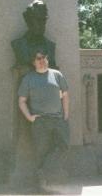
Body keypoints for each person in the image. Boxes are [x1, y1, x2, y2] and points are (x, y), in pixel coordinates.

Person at [17, 49, 69, 189]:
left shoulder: (57, 75)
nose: (42, 60)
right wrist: (30, 117)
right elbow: (21, 100)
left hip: (58, 120)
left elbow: (65, 95)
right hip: (40, 122)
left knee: (64, 146)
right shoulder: (28, 78)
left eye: (44, 57)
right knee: (41, 151)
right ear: (33, 62)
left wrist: (66, 114)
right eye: (38, 58)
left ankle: (44, 171)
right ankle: (40, 183)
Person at [12, 0, 57, 69]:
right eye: (38, 20)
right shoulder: (18, 44)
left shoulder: (50, 46)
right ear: (28, 21)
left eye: (44, 20)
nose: (41, 24)